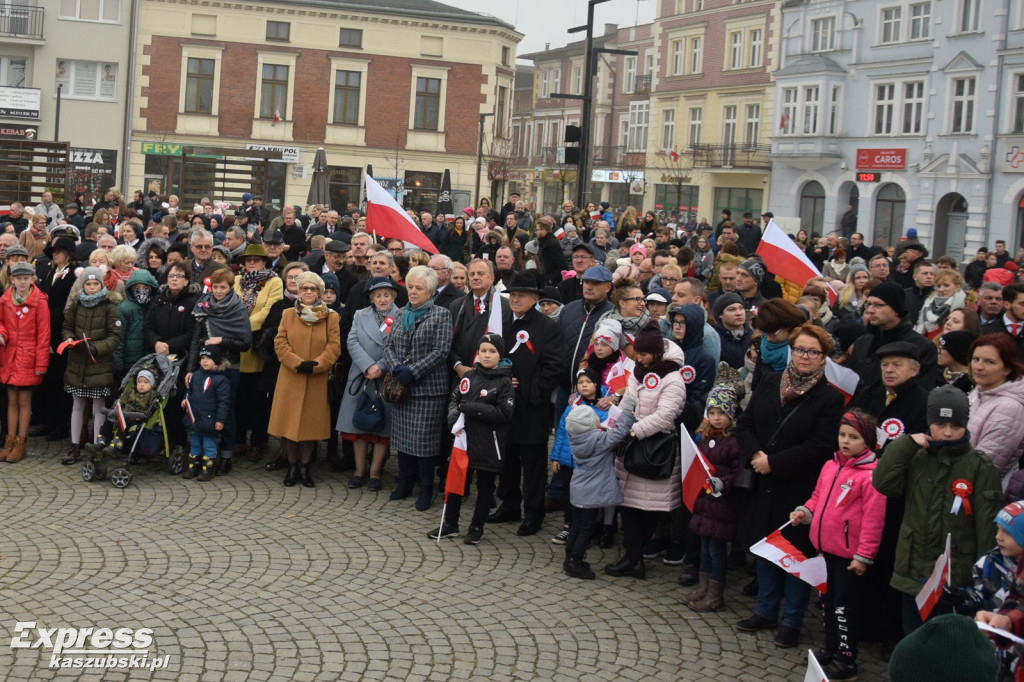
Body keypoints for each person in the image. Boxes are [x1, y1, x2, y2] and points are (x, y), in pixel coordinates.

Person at [734, 323, 845, 648]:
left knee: (796, 556)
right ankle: (766, 609)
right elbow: (747, 421)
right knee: (767, 549)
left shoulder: (829, 398)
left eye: (813, 352)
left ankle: (792, 621)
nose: (805, 357)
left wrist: (775, 463)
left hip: (798, 488)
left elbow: (821, 446)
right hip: (761, 479)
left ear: (824, 358)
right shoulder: (770, 381)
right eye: (800, 350)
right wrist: (755, 453)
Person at [874, 385, 1003, 634]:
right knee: (913, 636)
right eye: (940, 425)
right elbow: (883, 482)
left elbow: (987, 528)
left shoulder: (980, 466)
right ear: (928, 422)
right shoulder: (917, 457)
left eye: (955, 426)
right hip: (913, 567)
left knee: (946, 645)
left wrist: (979, 583)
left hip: (955, 576)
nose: (946, 433)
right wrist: (905, 444)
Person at [790, 410, 886, 680]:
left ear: (867, 441)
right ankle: (831, 649)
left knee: (844, 606)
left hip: (848, 555)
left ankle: (847, 659)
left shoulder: (871, 475)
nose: (845, 441)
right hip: (824, 549)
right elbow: (817, 497)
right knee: (827, 602)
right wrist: (804, 512)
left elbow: (873, 520)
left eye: (853, 437)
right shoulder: (831, 465)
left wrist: (864, 555)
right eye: (842, 435)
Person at [604, 321, 686, 579]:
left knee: (648, 508)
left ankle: (635, 556)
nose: (638, 358)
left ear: (657, 353)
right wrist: (617, 421)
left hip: (654, 449)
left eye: (643, 354)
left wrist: (633, 431)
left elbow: (665, 416)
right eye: (637, 353)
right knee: (628, 505)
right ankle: (631, 556)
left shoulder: (673, 379)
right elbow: (630, 402)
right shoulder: (638, 372)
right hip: (631, 447)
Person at [489, 271, 565, 535]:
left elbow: (553, 367)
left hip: (531, 408)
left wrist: (530, 394)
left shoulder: (548, 327)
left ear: (535, 298)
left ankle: (534, 513)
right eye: (513, 295)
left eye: (521, 295)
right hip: (505, 406)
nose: (516, 299)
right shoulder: (504, 323)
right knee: (507, 460)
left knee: (532, 464)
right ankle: (509, 504)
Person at [379, 265, 454, 510]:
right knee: (402, 439)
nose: (412, 292)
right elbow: (388, 345)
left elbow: (441, 351)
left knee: (424, 442)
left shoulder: (441, 314)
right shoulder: (401, 313)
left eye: (418, 288)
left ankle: (426, 488)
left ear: (430, 291)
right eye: (410, 287)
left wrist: (414, 371)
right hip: (401, 387)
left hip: (428, 390)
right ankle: (404, 483)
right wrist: (396, 367)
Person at [429, 333, 515, 544]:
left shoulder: (505, 382)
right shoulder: (469, 376)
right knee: (457, 482)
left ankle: (477, 525)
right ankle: (450, 523)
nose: (487, 356)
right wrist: (453, 422)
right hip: (464, 440)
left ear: (499, 355)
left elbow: (503, 413)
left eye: (492, 352)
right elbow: (455, 401)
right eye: (483, 351)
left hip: (489, 442)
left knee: (485, 486)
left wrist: (470, 408)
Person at [266, 272, 341, 487]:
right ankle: (291, 467)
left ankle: (305, 467)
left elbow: (334, 346)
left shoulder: (331, 316)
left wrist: (318, 364)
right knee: (288, 426)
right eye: (304, 288)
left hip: (316, 379)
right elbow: (280, 342)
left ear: (319, 292)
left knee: (310, 427)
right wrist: (297, 363)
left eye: (313, 289)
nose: (308, 292)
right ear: (298, 291)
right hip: (290, 376)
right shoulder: (288, 314)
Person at [561, 393, 637, 580]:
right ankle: (575, 562)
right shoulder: (598, 440)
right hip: (591, 493)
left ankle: (569, 557)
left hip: (578, 489)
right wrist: (627, 410)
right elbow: (619, 433)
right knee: (586, 528)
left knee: (576, 526)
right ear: (589, 424)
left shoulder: (576, 439)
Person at [185, 267, 252, 475]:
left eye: (223, 287)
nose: (219, 291)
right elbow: (196, 340)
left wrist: (222, 340)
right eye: (215, 287)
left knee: (226, 412)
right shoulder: (204, 305)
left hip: (229, 367)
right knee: (202, 409)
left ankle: (226, 456)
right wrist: (190, 368)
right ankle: (202, 455)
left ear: (231, 287)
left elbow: (245, 343)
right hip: (204, 366)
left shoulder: (238, 308)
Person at [683, 384, 741, 612]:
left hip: (721, 505)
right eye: (713, 413)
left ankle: (715, 595)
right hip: (705, 502)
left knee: (717, 551)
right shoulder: (706, 438)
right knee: (705, 548)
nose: (716, 418)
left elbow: (737, 473)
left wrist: (723, 483)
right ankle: (704, 589)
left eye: (722, 413)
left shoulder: (733, 442)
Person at [337, 277, 399, 490]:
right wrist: (368, 366)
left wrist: (380, 367)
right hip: (361, 375)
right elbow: (351, 341)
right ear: (372, 298)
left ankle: (375, 473)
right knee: (358, 427)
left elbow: (400, 346)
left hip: (386, 377)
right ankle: (359, 470)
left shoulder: (401, 316)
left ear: (393, 297)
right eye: (378, 295)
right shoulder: (359, 315)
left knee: (382, 430)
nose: (383, 299)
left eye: (387, 295)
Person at [60, 267, 123, 465]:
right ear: (83, 285)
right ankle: (74, 445)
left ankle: (97, 446)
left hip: (99, 363)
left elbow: (115, 336)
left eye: (96, 284)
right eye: (88, 284)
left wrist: (97, 348)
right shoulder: (76, 304)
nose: (92, 287)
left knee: (98, 407)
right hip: (78, 362)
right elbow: (67, 327)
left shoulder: (109, 306)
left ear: (101, 285)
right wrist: (69, 338)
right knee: (77, 405)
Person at [232, 243, 283, 463]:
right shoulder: (235, 281)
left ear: (265, 262)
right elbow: (229, 305)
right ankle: (238, 440)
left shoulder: (274, 281)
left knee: (259, 399)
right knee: (238, 398)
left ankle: (259, 442)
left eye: (257, 259)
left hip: (258, 346)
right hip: (236, 347)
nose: (252, 262)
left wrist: (243, 326)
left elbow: (269, 309)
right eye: (248, 259)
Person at [144, 260, 199, 454]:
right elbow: (148, 327)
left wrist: (170, 345)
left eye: (179, 276)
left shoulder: (192, 302)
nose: (175, 280)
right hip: (159, 356)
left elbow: (192, 333)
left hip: (180, 359)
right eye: (171, 276)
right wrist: (156, 342)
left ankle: (179, 444)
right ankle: (158, 441)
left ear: (186, 281)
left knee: (175, 405)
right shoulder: (159, 300)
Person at [0, 262, 49, 463]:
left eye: (26, 278)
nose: (22, 282)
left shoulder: (39, 301)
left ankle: (21, 442)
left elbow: (44, 335)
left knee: (24, 401)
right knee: (11, 400)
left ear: (32, 279)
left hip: (28, 356)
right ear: (12, 279)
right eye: (18, 278)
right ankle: (9, 441)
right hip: (9, 356)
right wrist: (1, 333)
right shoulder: (5, 299)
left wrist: (41, 365)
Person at [966, 333, 1024, 484]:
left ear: (1007, 369)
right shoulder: (977, 392)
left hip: (980, 492)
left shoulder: (1010, 408)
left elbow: (986, 463)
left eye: (989, 362)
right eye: (975, 359)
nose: (978, 367)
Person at [86, 366, 160, 466]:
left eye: (146, 382)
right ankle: (100, 442)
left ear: (152, 384)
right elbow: (120, 402)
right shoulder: (130, 391)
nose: (142, 385)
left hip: (136, 418)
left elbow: (151, 409)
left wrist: (144, 415)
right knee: (109, 419)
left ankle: (116, 445)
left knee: (124, 423)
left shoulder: (152, 395)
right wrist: (114, 409)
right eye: (140, 382)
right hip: (123, 414)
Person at [180, 346, 231, 481]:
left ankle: (208, 467)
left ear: (217, 361)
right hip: (195, 418)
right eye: (202, 358)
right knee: (194, 442)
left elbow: (223, 402)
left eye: (208, 359)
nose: (205, 361)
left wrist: (220, 420)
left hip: (210, 419)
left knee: (209, 444)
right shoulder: (196, 375)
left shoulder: (221, 380)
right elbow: (189, 391)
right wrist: (185, 399)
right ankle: (193, 465)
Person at [115, 269, 159, 376]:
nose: (141, 291)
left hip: (151, 360)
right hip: (129, 362)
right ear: (130, 289)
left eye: (145, 288)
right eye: (137, 288)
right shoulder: (124, 309)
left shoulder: (156, 306)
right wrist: (118, 364)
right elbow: (119, 338)